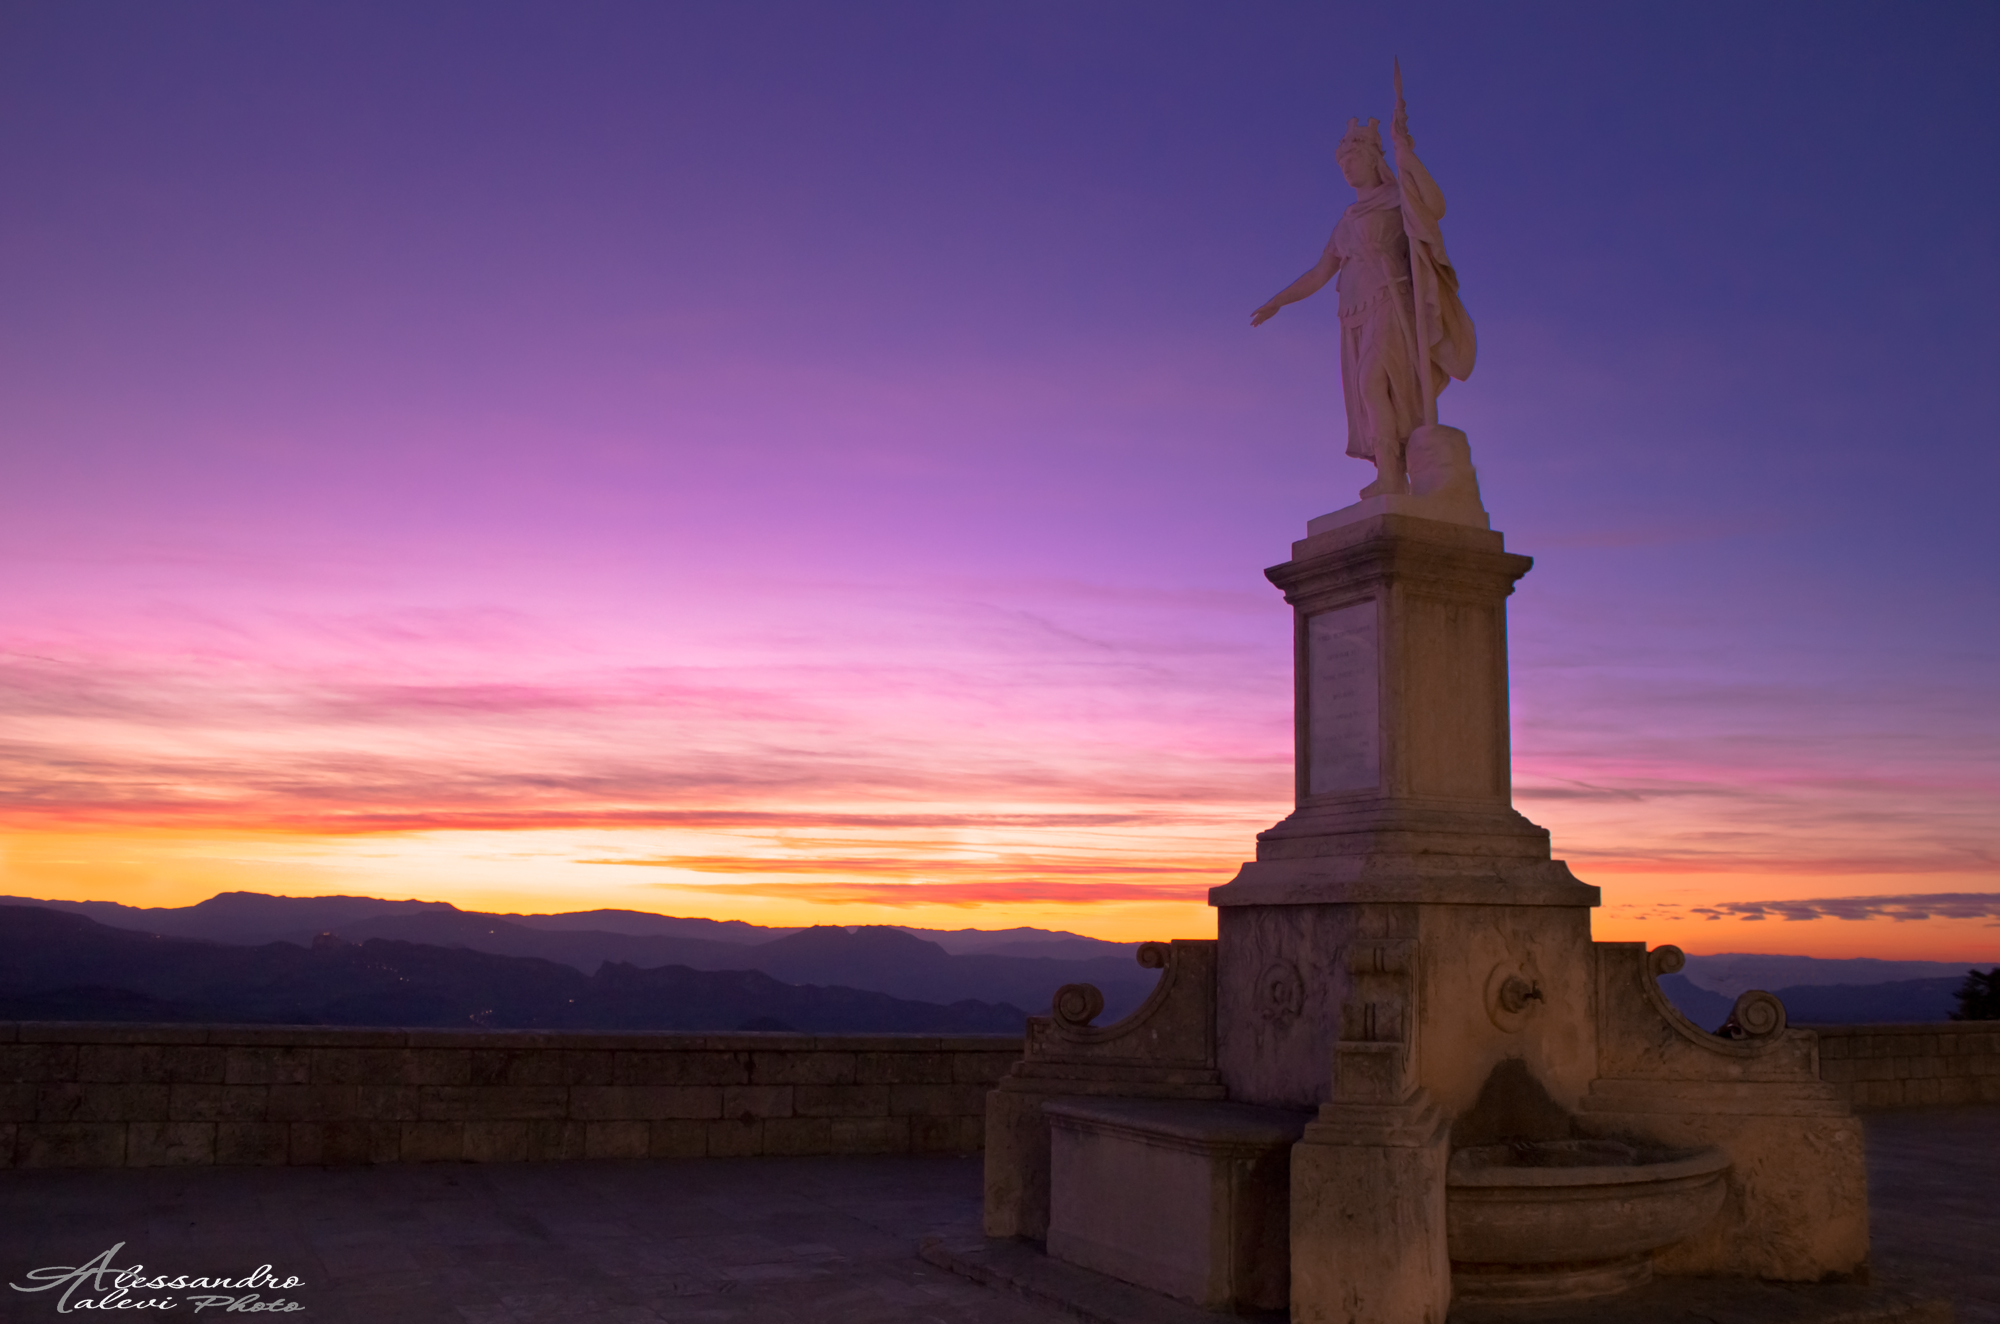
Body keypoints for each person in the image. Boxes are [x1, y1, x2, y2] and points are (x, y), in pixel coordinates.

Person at [1253, 97, 1474, 499]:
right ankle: (1390, 472)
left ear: (1373, 159)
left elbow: (1435, 206)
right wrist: (1279, 300)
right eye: (1342, 164)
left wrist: (1406, 152)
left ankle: (1392, 475)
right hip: (1353, 313)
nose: (1346, 168)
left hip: (1392, 301)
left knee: (1374, 381)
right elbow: (1321, 272)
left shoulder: (1396, 200)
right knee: (1367, 392)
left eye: (1353, 159)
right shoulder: (1346, 221)